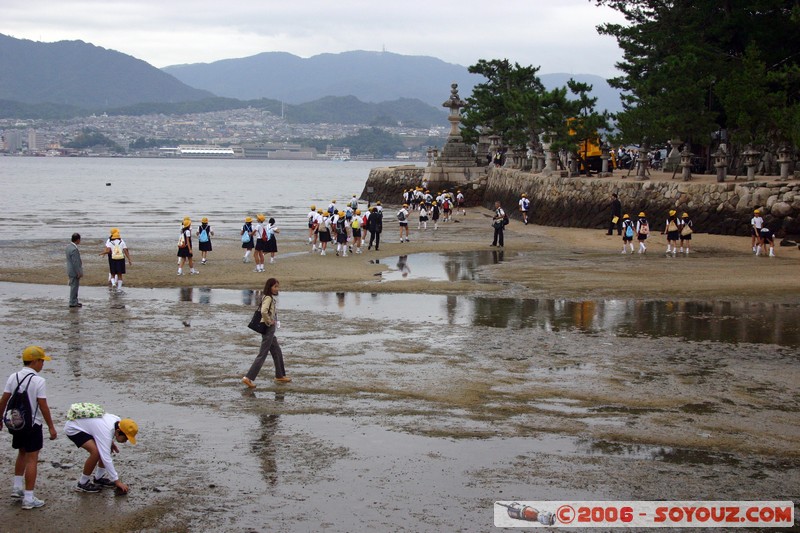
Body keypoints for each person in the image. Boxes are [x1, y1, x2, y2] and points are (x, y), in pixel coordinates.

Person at [0, 346, 58, 510]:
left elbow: (4, 400)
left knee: (22, 453)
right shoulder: (38, 380)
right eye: (41, 361)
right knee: (32, 458)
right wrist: (51, 428)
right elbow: (43, 406)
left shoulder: (13, 376)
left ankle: (17, 488)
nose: (43, 365)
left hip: (17, 423)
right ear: (34, 361)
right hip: (33, 425)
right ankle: (29, 498)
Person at [64, 412, 137, 495]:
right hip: (74, 428)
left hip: (87, 427)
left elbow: (102, 431)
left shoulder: (118, 421)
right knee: (96, 452)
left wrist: (110, 443)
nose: (126, 441)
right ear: (118, 431)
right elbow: (106, 458)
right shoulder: (106, 430)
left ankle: (98, 478)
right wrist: (117, 481)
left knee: (105, 447)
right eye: (126, 438)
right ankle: (82, 483)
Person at [242, 278, 290, 388]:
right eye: (275, 287)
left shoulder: (268, 297)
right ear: (270, 287)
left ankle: (280, 375)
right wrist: (269, 321)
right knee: (262, 354)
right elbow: (263, 311)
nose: (277, 289)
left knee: (277, 351)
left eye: (277, 286)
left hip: (270, 329)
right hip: (268, 329)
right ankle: (248, 377)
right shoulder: (268, 298)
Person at [66, 232, 83, 308]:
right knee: (74, 287)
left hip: (70, 269)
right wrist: (78, 272)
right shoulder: (74, 249)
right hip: (74, 271)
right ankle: (73, 302)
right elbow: (75, 262)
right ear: (78, 240)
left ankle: (74, 301)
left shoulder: (68, 247)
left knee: (74, 286)